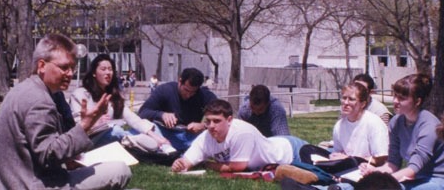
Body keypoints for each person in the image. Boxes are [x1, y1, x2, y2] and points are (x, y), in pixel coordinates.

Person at [0, 34, 131, 189]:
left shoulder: (25, 89)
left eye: (72, 67)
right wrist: (85, 125)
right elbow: (49, 155)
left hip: (13, 181)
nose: (69, 73)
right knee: (120, 170)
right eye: (64, 67)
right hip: (33, 184)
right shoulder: (39, 100)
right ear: (41, 66)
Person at [359, 74, 444, 190]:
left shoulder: (429, 126)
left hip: (436, 180)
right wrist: (374, 172)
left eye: (402, 98)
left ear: (417, 101)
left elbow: (413, 168)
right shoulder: (395, 123)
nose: (395, 101)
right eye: (395, 96)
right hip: (412, 179)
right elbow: (393, 163)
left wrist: (381, 182)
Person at [171, 99, 308, 172]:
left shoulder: (241, 132)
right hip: (273, 146)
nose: (211, 126)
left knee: (326, 159)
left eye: (217, 121)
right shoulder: (206, 137)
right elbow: (187, 161)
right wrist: (180, 164)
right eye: (208, 121)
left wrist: (207, 164)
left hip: (291, 151)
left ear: (229, 120)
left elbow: (236, 167)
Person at [70, 54, 169, 148]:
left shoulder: (113, 96)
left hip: (111, 136)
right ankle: (136, 142)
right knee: (117, 131)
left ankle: (153, 143)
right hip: (90, 139)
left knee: (151, 128)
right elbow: (76, 126)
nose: (108, 73)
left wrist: (155, 136)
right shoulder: (80, 94)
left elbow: (132, 118)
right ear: (94, 73)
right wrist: (96, 122)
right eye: (103, 69)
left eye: (110, 69)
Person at [138, 67, 217, 151]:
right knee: (144, 128)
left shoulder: (205, 95)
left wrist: (204, 125)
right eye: (186, 90)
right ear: (180, 81)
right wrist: (161, 115)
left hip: (188, 136)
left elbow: (222, 117)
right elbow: (142, 113)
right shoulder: (165, 90)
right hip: (162, 132)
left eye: (193, 92)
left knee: (210, 136)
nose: (188, 95)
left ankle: (167, 149)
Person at [330, 83, 388, 165]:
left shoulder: (374, 123)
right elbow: (339, 153)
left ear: (363, 104)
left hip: (370, 170)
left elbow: (381, 159)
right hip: (347, 168)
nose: (346, 103)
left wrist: (348, 159)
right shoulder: (339, 126)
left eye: (351, 99)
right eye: (344, 98)